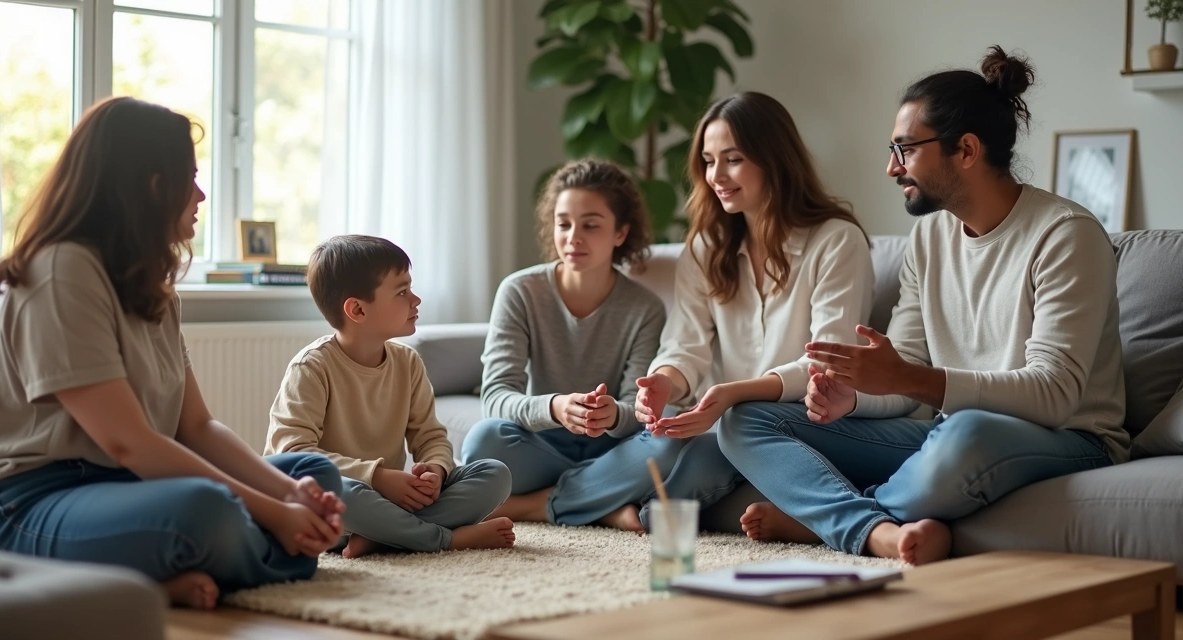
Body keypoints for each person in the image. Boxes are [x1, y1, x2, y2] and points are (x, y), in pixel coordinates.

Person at [719, 46, 1128, 565]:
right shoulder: (929, 239)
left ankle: (832, 520)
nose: (891, 167)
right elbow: (904, 372)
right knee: (747, 419)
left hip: (1070, 439)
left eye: (905, 149)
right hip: (949, 432)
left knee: (967, 429)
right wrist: (855, 397)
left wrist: (910, 381)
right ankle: (871, 530)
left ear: (967, 150)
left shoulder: (1067, 236)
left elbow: (1054, 394)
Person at [0, 96, 345, 610]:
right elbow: (129, 443)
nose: (201, 193)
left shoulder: (152, 284)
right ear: (151, 186)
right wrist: (278, 515)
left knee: (316, 475)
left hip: (129, 483)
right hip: (31, 500)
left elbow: (197, 428)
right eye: (189, 178)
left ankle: (155, 577)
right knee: (207, 510)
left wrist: (289, 494)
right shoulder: (62, 272)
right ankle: (172, 576)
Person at [633, 91, 874, 532]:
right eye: (708, 161)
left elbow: (829, 363)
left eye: (733, 158)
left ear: (773, 159)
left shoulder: (836, 241)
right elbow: (685, 345)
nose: (716, 175)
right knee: (659, 509)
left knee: (731, 431)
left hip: (809, 420)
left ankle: (822, 516)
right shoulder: (705, 250)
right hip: (729, 424)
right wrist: (663, 384)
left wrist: (736, 393)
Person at [265, 235, 514, 555]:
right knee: (342, 490)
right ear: (357, 309)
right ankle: (444, 539)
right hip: (330, 504)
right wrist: (378, 477)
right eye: (402, 292)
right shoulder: (312, 367)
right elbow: (293, 454)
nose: (416, 299)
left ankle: (382, 536)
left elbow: (431, 437)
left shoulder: (408, 363)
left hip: (384, 504)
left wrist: (436, 470)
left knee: (495, 474)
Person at [462, 159, 671, 532]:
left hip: (610, 450)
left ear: (620, 233)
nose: (573, 238)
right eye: (563, 224)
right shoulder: (520, 292)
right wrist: (556, 407)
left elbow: (637, 411)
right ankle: (601, 503)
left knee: (669, 447)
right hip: (540, 445)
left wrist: (612, 414)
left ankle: (534, 505)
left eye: (590, 225)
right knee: (484, 439)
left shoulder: (644, 308)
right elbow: (495, 396)